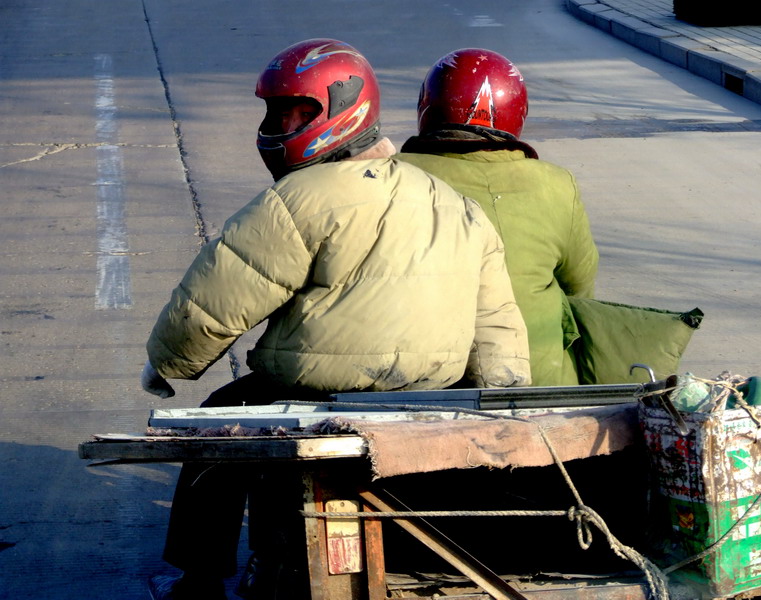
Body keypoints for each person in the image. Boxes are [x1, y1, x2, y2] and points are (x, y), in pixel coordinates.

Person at [140, 39, 531, 600]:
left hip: (311, 392)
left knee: (217, 426)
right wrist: (503, 396)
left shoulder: (298, 197)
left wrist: (170, 361)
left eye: (298, 111)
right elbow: (496, 324)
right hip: (430, 395)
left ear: (344, 108)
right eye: (277, 111)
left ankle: (200, 576)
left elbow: (219, 296)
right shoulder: (455, 204)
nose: (281, 123)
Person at [397, 48, 599, 386]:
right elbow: (580, 289)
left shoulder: (392, 176)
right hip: (544, 382)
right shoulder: (555, 182)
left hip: (430, 384)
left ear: (428, 106)